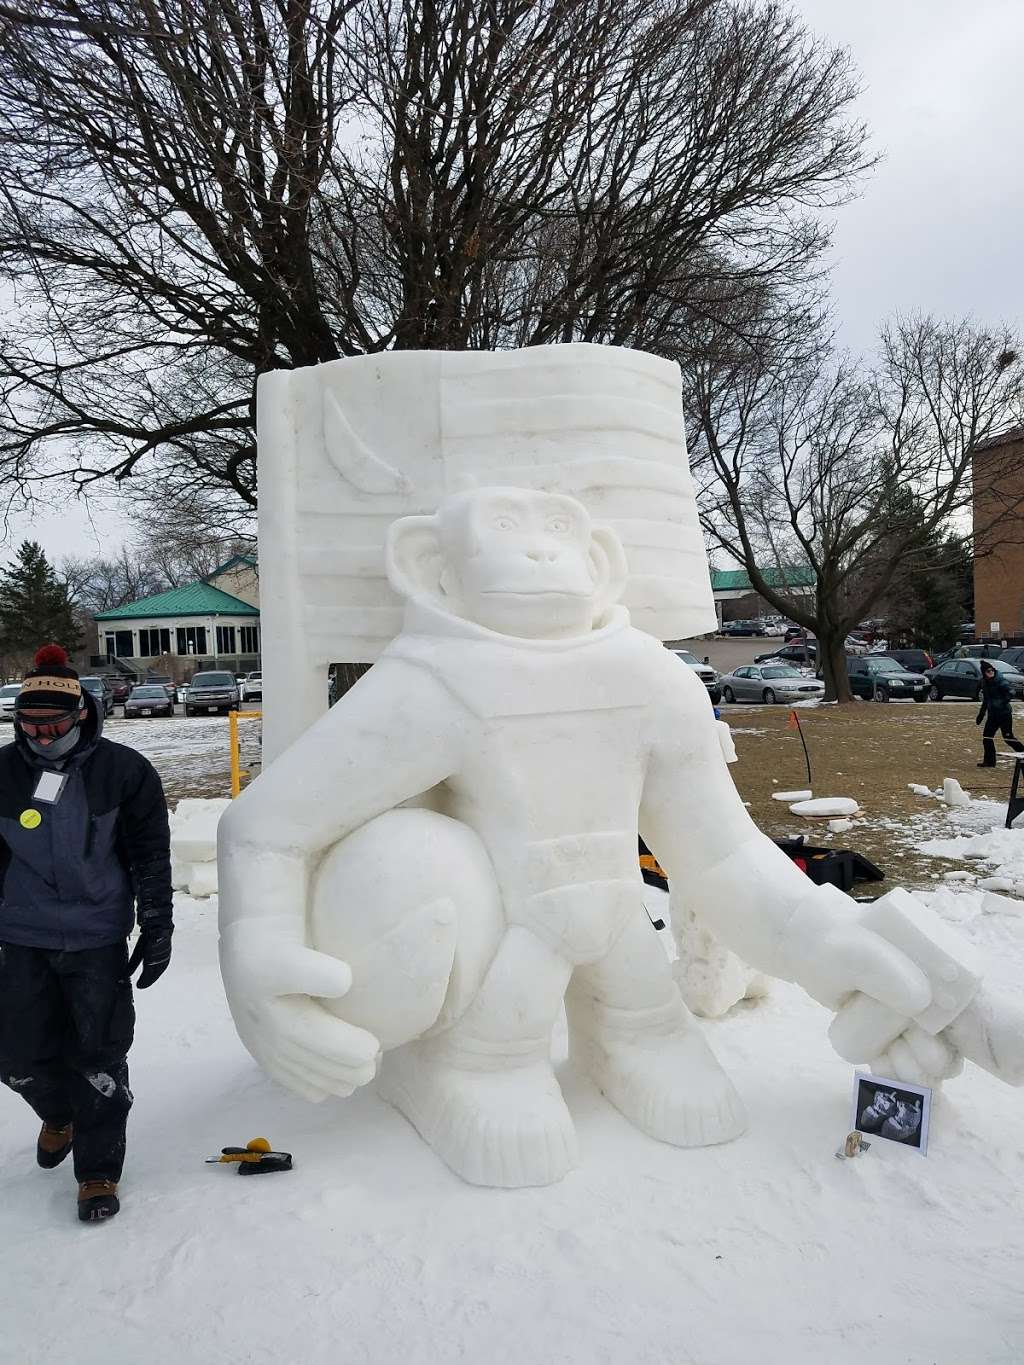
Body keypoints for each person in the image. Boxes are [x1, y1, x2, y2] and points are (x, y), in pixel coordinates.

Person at [0, 645, 173, 1223]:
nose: (42, 736)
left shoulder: (123, 772)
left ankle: (98, 1172)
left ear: (81, 714)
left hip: (97, 936)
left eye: (53, 723)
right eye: (30, 724)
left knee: (98, 1056)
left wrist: (157, 923)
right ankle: (58, 1113)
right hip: (18, 935)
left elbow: (149, 855)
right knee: (16, 1055)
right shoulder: (3, 773)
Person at [975, 660, 1024, 768]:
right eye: (988, 671)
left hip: (1004, 714)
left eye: (991, 670)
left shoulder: (1000, 680)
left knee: (1008, 738)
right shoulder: (984, 682)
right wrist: (981, 714)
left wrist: (1003, 702)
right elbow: (986, 700)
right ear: (984, 673)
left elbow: (1011, 692)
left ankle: (1023, 754)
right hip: (993, 715)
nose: (990, 672)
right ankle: (989, 762)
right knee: (987, 738)